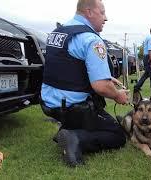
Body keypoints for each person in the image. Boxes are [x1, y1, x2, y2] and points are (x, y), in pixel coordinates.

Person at [40, 0, 129, 167]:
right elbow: (100, 87)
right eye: (102, 12)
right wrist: (118, 95)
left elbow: (69, 68)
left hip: (48, 102)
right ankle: (76, 138)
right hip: (73, 107)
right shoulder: (91, 39)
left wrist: (107, 77)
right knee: (117, 134)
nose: (106, 18)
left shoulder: (57, 33)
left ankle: (67, 130)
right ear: (89, 12)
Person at [134, 26, 151, 92]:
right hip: (149, 57)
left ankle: (137, 87)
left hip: (149, 57)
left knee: (147, 74)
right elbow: (150, 50)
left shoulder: (150, 38)